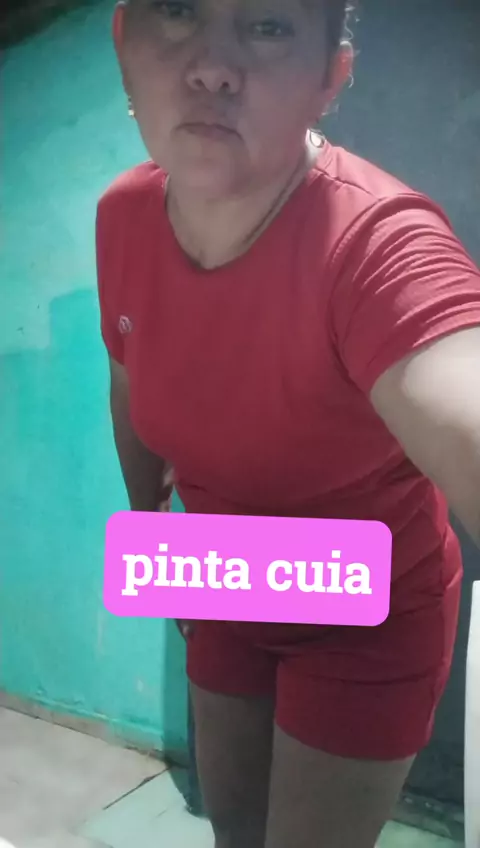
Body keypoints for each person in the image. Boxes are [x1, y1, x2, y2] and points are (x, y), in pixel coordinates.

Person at [96, 1, 480, 846]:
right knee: (235, 834)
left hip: (368, 615)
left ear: (330, 78)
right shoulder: (122, 215)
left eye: (267, 26)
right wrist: (153, 527)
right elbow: (131, 380)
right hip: (230, 578)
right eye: (177, 10)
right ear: (124, 41)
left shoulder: (378, 244)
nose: (211, 65)